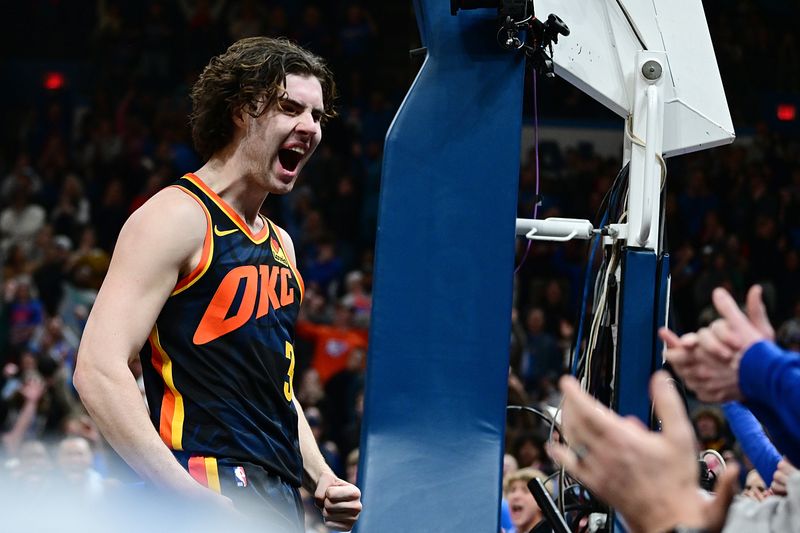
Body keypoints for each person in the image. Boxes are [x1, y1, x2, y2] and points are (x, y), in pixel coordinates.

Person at [73, 37, 361, 532]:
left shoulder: (282, 247)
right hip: (207, 481)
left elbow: (277, 390)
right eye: (290, 108)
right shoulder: (177, 216)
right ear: (240, 111)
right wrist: (182, 493)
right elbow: (98, 370)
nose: (309, 128)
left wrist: (322, 476)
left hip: (279, 493)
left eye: (317, 116)